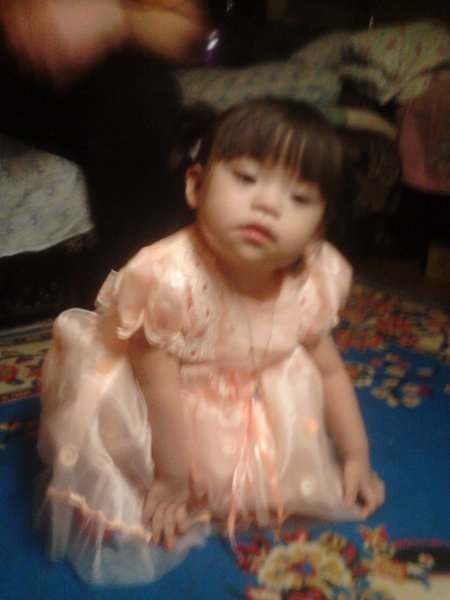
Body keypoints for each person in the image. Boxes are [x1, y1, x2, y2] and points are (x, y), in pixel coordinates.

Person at [37, 98, 385, 585]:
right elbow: (160, 391)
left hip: (251, 389)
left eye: (299, 197)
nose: (268, 205)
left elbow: (329, 372)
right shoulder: (170, 280)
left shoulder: (310, 280)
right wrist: (171, 481)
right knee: (118, 456)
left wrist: (356, 455)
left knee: (296, 378)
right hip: (161, 404)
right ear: (196, 186)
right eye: (247, 178)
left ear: (318, 229)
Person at [0, 0, 208, 298]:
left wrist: (116, 18)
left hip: (80, 75)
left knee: (143, 97)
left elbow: (184, 31)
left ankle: (144, 297)